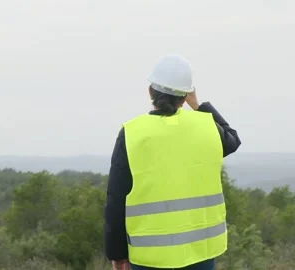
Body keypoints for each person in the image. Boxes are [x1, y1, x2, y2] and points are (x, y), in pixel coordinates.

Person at [103, 54, 241, 270]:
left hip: (149, 258)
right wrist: (196, 104)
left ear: (150, 91)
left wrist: (118, 255)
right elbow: (232, 140)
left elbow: (116, 199)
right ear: (184, 96)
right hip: (200, 254)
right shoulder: (207, 128)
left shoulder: (132, 133)